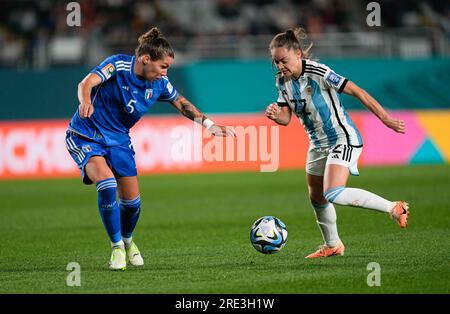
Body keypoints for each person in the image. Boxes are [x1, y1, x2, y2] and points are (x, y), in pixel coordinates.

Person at [65, 27, 235, 270]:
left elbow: (181, 103)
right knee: (107, 183)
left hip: (119, 140)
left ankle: (127, 241)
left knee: (132, 204)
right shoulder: (117, 66)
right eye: (163, 66)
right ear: (146, 59)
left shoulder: (160, 84)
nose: (165, 72)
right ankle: (116, 249)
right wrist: (86, 101)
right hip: (86, 134)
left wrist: (209, 125)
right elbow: (87, 82)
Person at [264, 27, 410, 259]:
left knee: (332, 192)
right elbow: (285, 118)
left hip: (342, 138)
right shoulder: (281, 81)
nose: (280, 66)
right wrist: (275, 115)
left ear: (298, 54)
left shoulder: (319, 72)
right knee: (316, 197)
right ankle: (332, 245)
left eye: (284, 60)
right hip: (317, 144)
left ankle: (394, 207)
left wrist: (386, 118)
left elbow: (357, 91)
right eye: (276, 62)